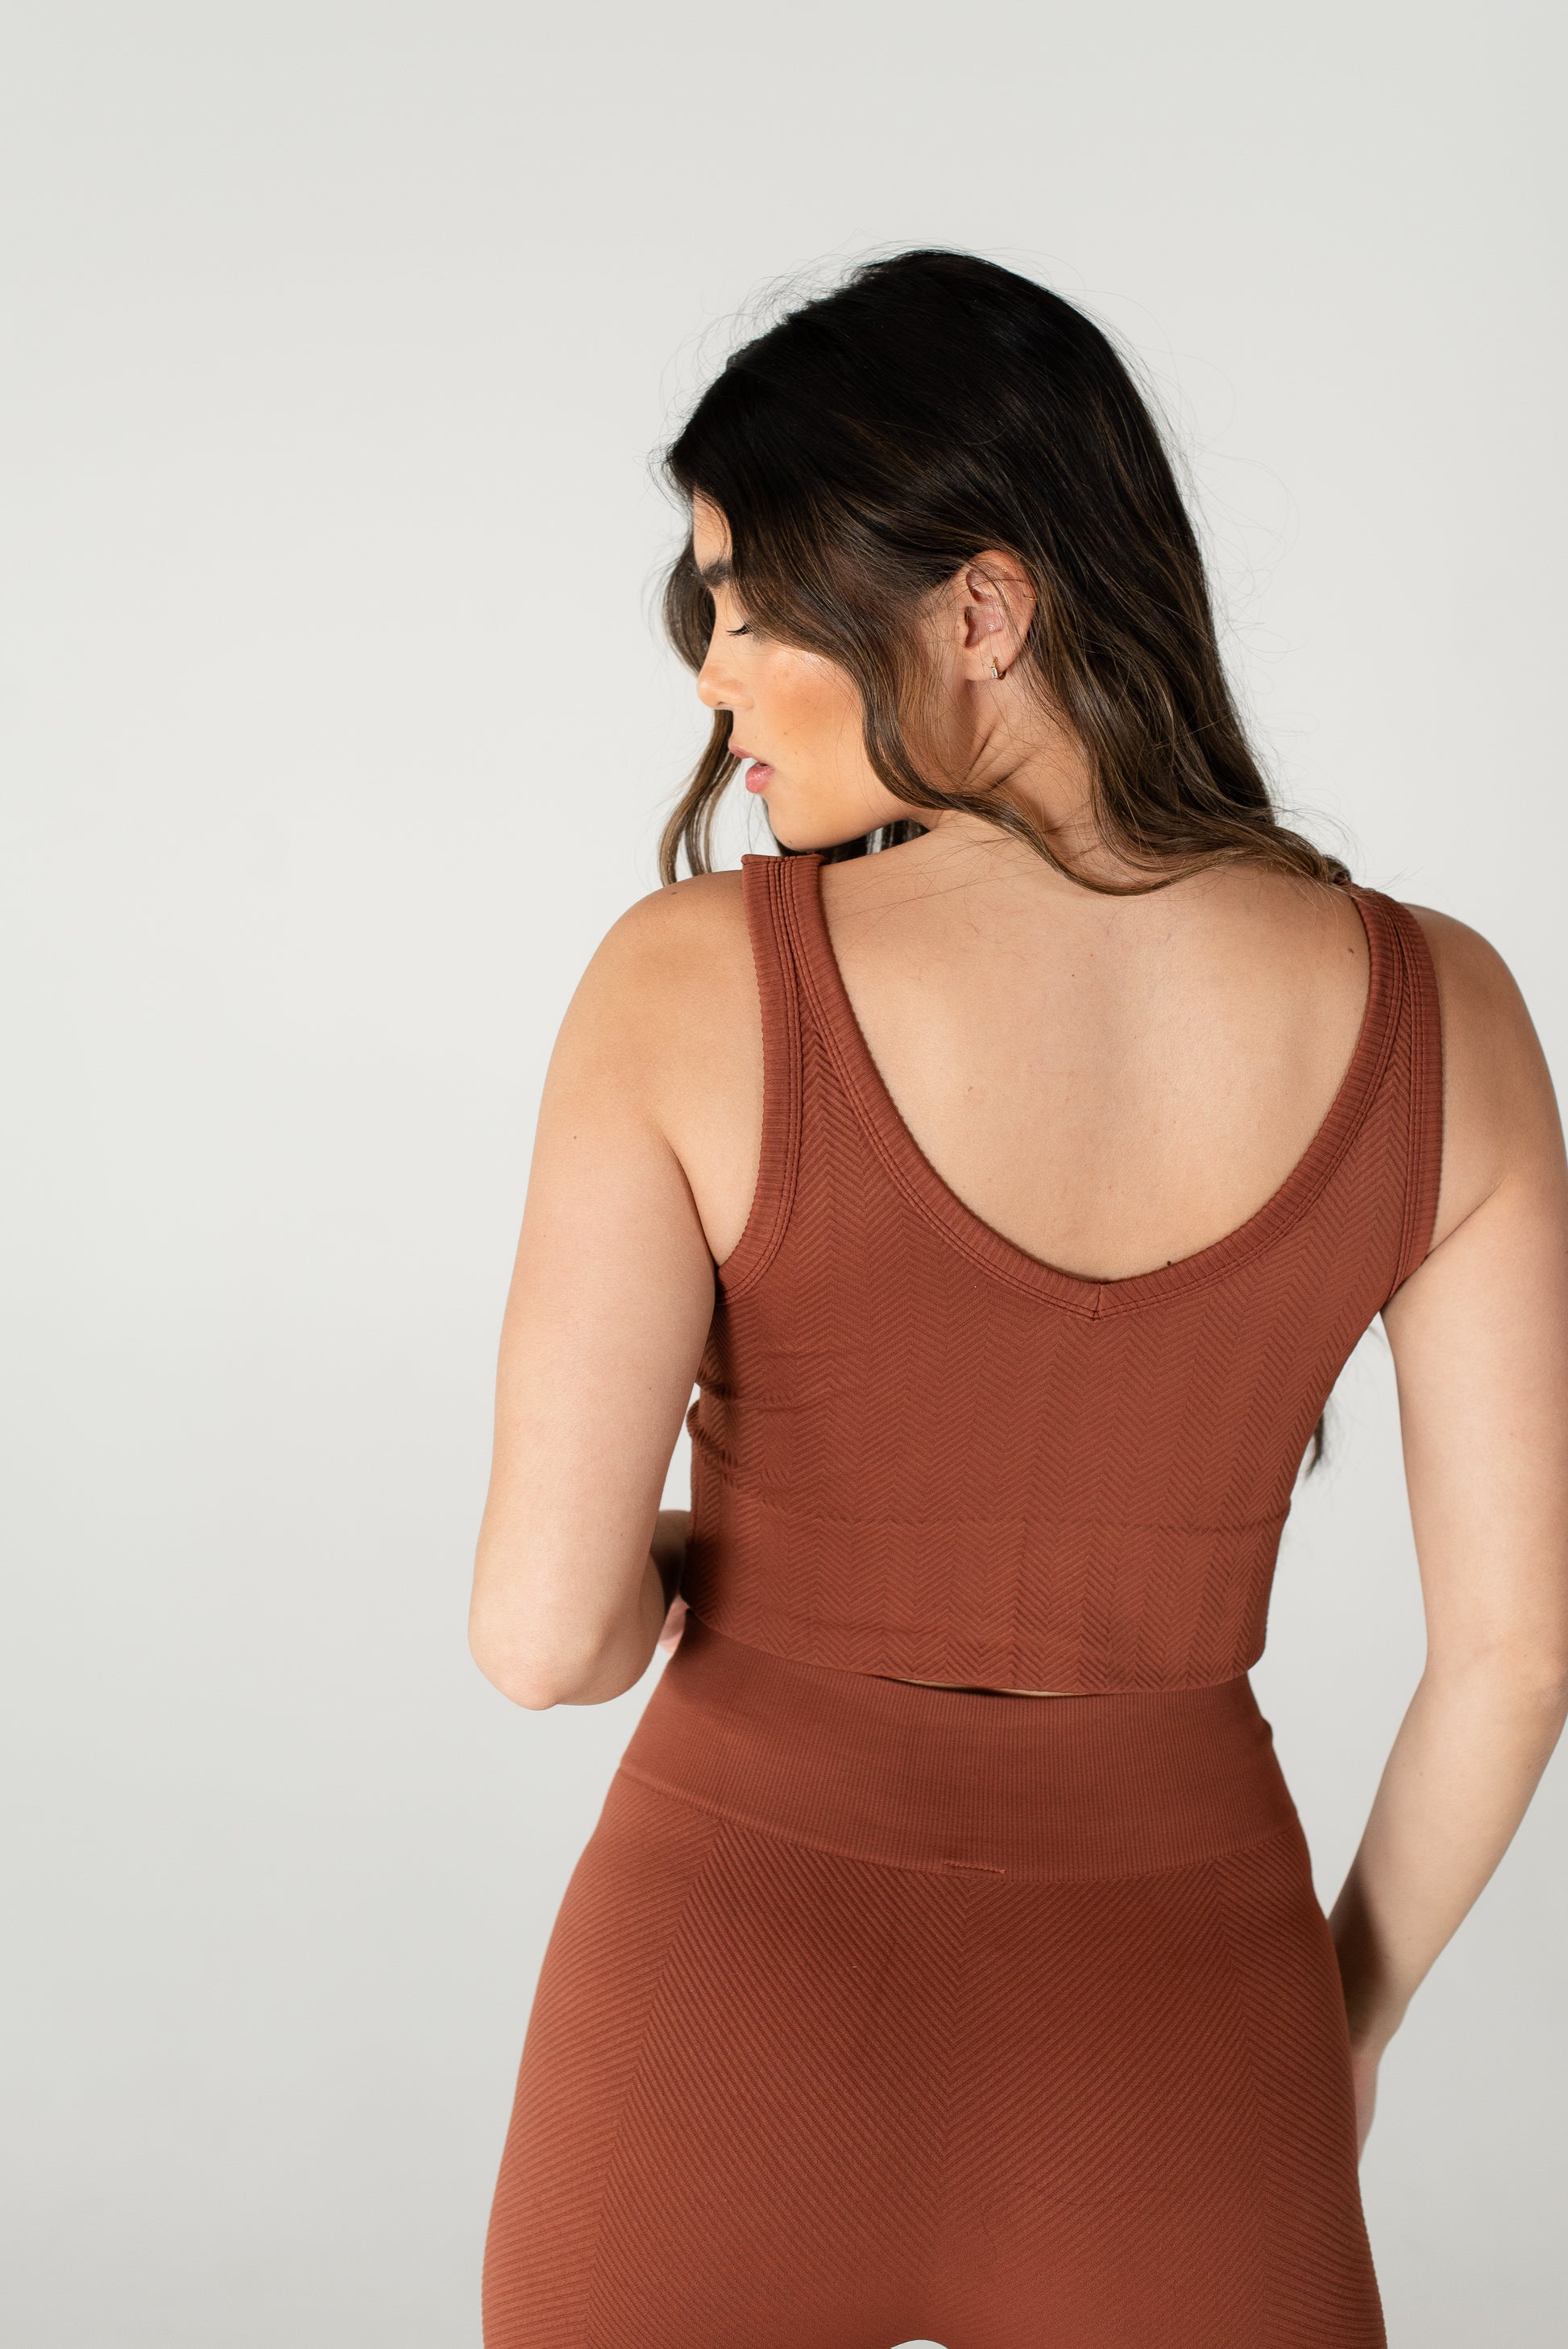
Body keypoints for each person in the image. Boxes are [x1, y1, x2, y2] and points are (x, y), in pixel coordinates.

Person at [467, 251, 1568, 2348]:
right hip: (1187, 2040)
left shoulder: (688, 987)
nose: (712, 677)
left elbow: (542, 1639)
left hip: (713, 2020)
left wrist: (692, 1560)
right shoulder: (1449, 1017)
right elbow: (1513, 1661)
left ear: (981, 610)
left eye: (757, 606)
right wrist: (1327, 2031)